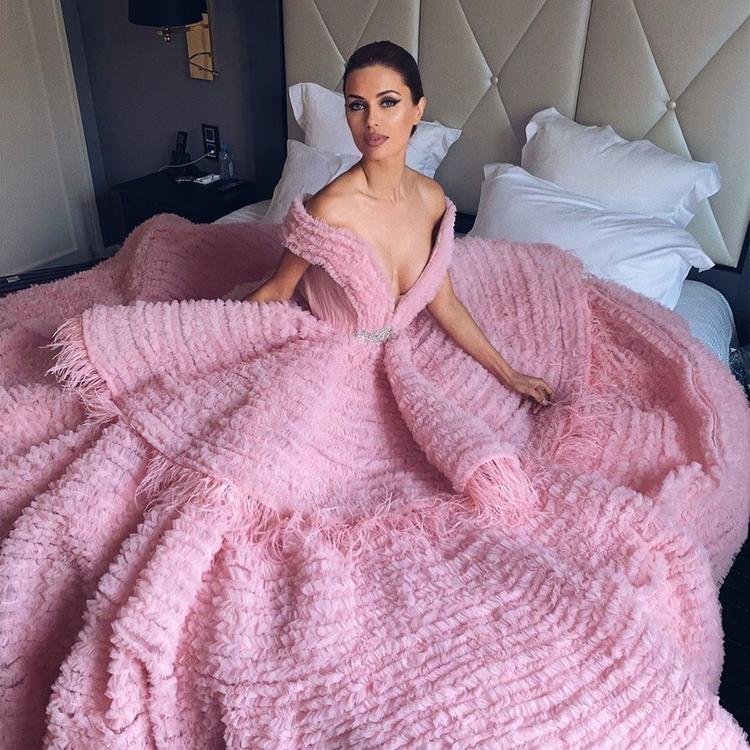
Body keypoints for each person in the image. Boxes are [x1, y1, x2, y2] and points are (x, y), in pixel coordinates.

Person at [245, 41, 556, 415]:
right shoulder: (330, 208)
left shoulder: (432, 199)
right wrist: (210, 339)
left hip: (402, 359)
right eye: (357, 105)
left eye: (388, 102)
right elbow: (277, 290)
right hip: (327, 368)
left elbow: (443, 301)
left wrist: (509, 374)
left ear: (417, 109)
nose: (371, 121)